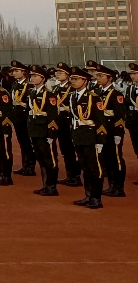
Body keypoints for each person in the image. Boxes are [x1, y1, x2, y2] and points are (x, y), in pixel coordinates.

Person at [65, 66, 106, 209]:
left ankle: (96, 198)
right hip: (78, 136)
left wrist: (100, 141)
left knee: (95, 168)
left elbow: (100, 121)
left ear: (85, 81)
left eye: (76, 79)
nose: (72, 81)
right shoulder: (72, 96)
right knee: (85, 168)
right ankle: (88, 195)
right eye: (71, 79)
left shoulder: (93, 97)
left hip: (91, 136)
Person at [92, 65, 127, 197]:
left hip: (112, 131)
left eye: (101, 76)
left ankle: (119, 187)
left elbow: (120, 116)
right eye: (97, 76)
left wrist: (118, 133)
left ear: (110, 78)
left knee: (116, 158)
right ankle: (111, 185)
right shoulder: (98, 93)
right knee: (106, 159)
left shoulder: (116, 94)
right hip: (102, 131)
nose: (98, 78)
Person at [26, 65, 59, 196]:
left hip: (45, 131)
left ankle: (52, 186)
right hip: (35, 129)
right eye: (31, 76)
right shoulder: (32, 92)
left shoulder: (49, 94)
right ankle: (45, 185)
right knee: (41, 159)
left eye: (35, 76)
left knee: (49, 159)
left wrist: (51, 133)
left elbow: (53, 116)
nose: (32, 78)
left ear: (43, 78)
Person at [6, 61, 37, 177]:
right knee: (22, 142)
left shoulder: (29, 86)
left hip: (25, 117)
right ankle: (25, 165)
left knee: (28, 142)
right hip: (17, 117)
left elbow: (31, 103)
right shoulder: (15, 84)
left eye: (16, 71)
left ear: (23, 72)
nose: (14, 73)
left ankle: (31, 166)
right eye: (13, 71)